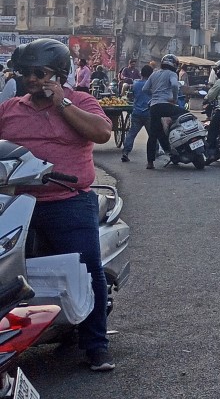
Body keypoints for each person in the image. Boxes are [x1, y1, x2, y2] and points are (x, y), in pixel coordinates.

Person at [0, 38, 115, 371]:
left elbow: (102, 133)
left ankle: (96, 345)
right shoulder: (10, 109)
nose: (32, 80)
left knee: (88, 267)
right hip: (16, 201)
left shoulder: (80, 100)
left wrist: (63, 103)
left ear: (60, 74)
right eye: (27, 73)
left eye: (40, 73)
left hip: (68, 201)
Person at [142, 54, 181, 170]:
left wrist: (154, 95)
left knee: (154, 134)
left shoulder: (154, 74)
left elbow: (145, 89)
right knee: (186, 115)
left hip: (154, 107)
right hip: (166, 105)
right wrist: (175, 99)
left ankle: (150, 162)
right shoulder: (172, 74)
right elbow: (174, 85)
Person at [122, 64, 153, 163]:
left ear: (141, 73)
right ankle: (155, 152)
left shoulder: (135, 83)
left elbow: (130, 95)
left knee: (131, 133)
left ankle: (125, 152)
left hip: (136, 112)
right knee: (152, 135)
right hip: (148, 112)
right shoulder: (151, 85)